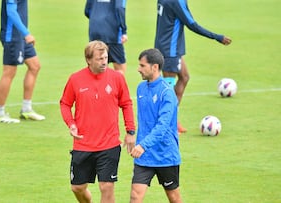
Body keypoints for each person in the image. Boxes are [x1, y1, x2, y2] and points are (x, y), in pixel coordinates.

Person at [60, 40, 136, 203]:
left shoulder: (117, 78)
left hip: (109, 143)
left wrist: (130, 131)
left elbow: (126, 104)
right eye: (99, 59)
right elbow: (65, 104)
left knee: (106, 187)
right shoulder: (75, 79)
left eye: (105, 58)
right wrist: (71, 124)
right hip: (83, 144)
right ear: (88, 60)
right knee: (78, 188)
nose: (104, 62)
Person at [154, 0, 232, 133]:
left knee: (184, 77)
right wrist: (216, 37)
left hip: (168, 47)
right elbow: (192, 24)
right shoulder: (177, 1)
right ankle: (167, 123)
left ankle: (172, 118)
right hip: (169, 51)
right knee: (168, 89)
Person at [130, 48, 182, 203]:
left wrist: (143, 145)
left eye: (142, 65)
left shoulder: (167, 92)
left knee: (173, 197)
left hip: (165, 155)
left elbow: (162, 126)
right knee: (135, 195)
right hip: (145, 156)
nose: (138, 69)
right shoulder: (141, 88)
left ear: (154, 67)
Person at [0, 0, 45, 123]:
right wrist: (26, 33)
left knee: (35, 66)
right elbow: (11, 12)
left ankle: (26, 109)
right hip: (12, 36)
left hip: (20, 35)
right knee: (9, 72)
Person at [84, 0, 128, 74]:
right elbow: (119, 7)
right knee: (120, 68)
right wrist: (124, 30)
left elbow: (87, 10)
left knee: (97, 64)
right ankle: (116, 85)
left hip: (95, 29)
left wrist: (97, 18)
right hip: (112, 31)